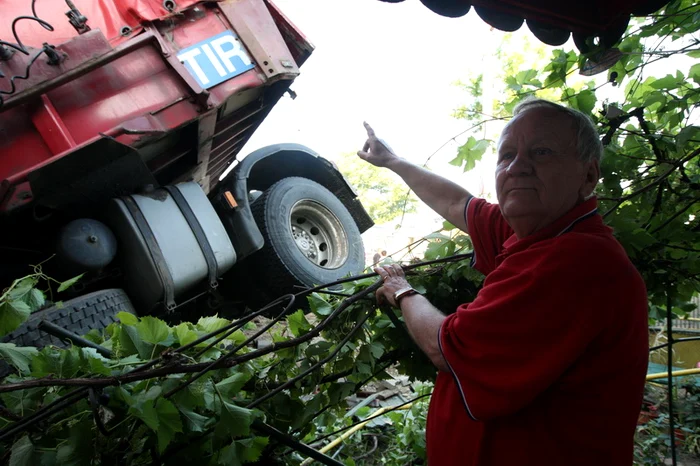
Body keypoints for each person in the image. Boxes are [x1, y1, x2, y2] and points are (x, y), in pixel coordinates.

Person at [358, 98, 648, 466]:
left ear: (588, 176)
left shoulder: (577, 260)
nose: (517, 167)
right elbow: (456, 205)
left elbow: (446, 347)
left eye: (541, 152)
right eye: (506, 154)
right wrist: (392, 161)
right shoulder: (539, 234)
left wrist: (402, 290)